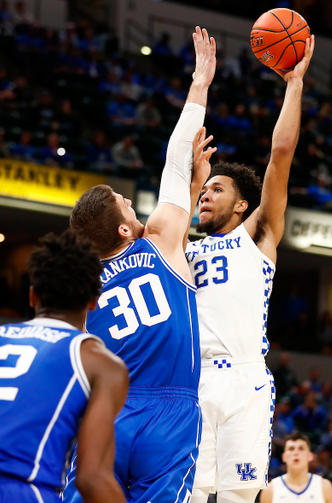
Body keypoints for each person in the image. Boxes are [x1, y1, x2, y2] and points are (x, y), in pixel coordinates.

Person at [62, 26, 217, 503]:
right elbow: (174, 160)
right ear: (126, 230)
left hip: (106, 412)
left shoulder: (79, 287)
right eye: (124, 202)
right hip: (169, 409)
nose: (130, 199)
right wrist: (199, 86)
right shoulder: (158, 241)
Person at [185, 35, 315, 503]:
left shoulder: (256, 235)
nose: (205, 195)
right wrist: (193, 178)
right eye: (205, 189)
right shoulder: (182, 246)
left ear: (242, 204)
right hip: (193, 379)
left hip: (244, 378)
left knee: (241, 496)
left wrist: (294, 85)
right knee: (192, 494)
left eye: (216, 190)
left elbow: (280, 156)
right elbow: (167, 213)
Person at [0, 230, 129, 503]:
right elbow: (92, 478)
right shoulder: (100, 362)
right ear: (94, 302)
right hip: (24, 491)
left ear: (33, 296)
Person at [260, 432, 332, 503]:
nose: (296, 453)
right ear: (284, 457)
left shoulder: (325, 487)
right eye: (291, 449)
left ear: (310, 456)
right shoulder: (270, 490)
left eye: (301, 448)